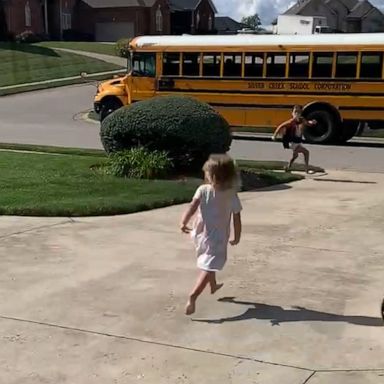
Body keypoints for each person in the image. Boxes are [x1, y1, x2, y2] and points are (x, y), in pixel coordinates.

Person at [180, 154, 242, 315]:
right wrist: (237, 236)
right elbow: (237, 217)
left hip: (199, 234)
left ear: (211, 175)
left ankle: (213, 286)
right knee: (208, 266)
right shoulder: (231, 194)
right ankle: (193, 296)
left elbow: (192, 207)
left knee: (208, 262)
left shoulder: (202, 190)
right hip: (218, 238)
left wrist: (183, 222)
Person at [272, 105, 317, 174]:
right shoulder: (291, 122)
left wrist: (312, 122)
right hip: (291, 142)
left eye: (298, 112)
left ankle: (287, 167)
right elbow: (280, 126)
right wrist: (274, 136)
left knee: (295, 156)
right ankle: (307, 170)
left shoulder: (302, 119)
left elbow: (308, 123)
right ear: (292, 113)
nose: (297, 114)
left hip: (297, 141)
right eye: (295, 112)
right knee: (306, 152)